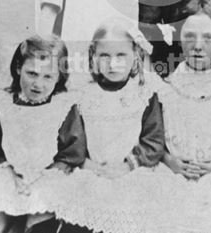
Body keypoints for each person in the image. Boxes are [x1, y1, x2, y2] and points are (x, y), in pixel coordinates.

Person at [46, 17, 165, 233]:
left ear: (135, 57)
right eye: (105, 56)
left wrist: (126, 166)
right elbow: (74, 143)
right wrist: (93, 169)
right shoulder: (83, 95)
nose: (113, 63)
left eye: (121, 55)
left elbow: (153, 142)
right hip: (92, 170)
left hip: (133, 171)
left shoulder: (144, 94)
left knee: (136, 212)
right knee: (81, 211)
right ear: (93, 58)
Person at [154, 0, 211, 233]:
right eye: (189, 36)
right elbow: (152, 137)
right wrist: (169, 160)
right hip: (173, 174)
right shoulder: (165, 87)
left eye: (208, 38)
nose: (197, 45)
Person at [0, 34, 84, 233]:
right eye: (32, 74)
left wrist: (43, 177)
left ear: (59, 76)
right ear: (19, 68)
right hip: (8, 172)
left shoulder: (62, 106)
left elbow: (72, 153)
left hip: (49, 174)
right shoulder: (3, 102)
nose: (38, 84)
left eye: (48, 77)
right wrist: (11, 174)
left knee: (40, 209)